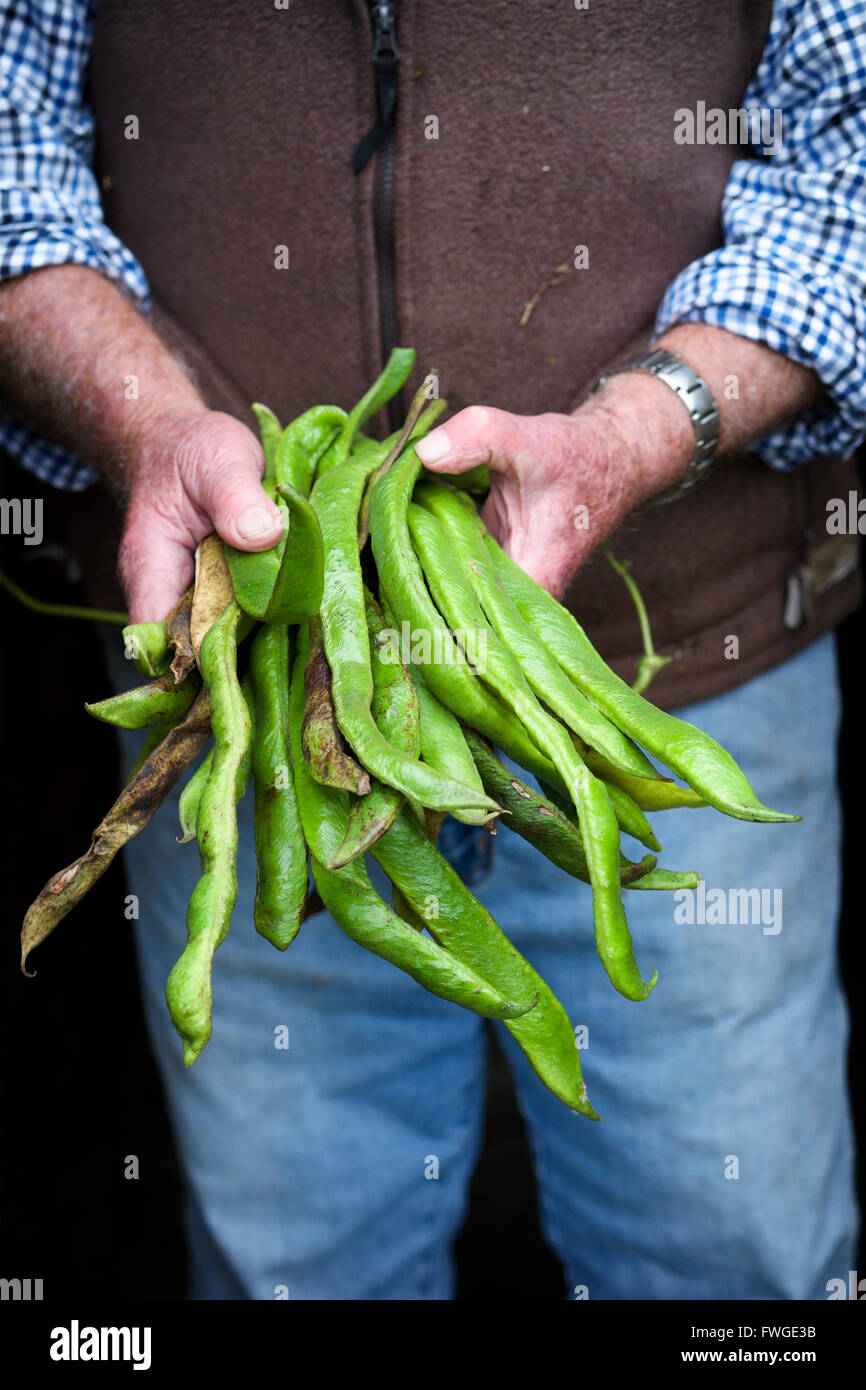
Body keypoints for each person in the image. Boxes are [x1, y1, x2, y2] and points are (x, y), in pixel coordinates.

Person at [1, 0, 863, 1300]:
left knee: (725, 1261)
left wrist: (637, 432)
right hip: (264, 697)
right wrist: (145, 423)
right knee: (295, 1265)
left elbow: (848, 173)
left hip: (694, 658)